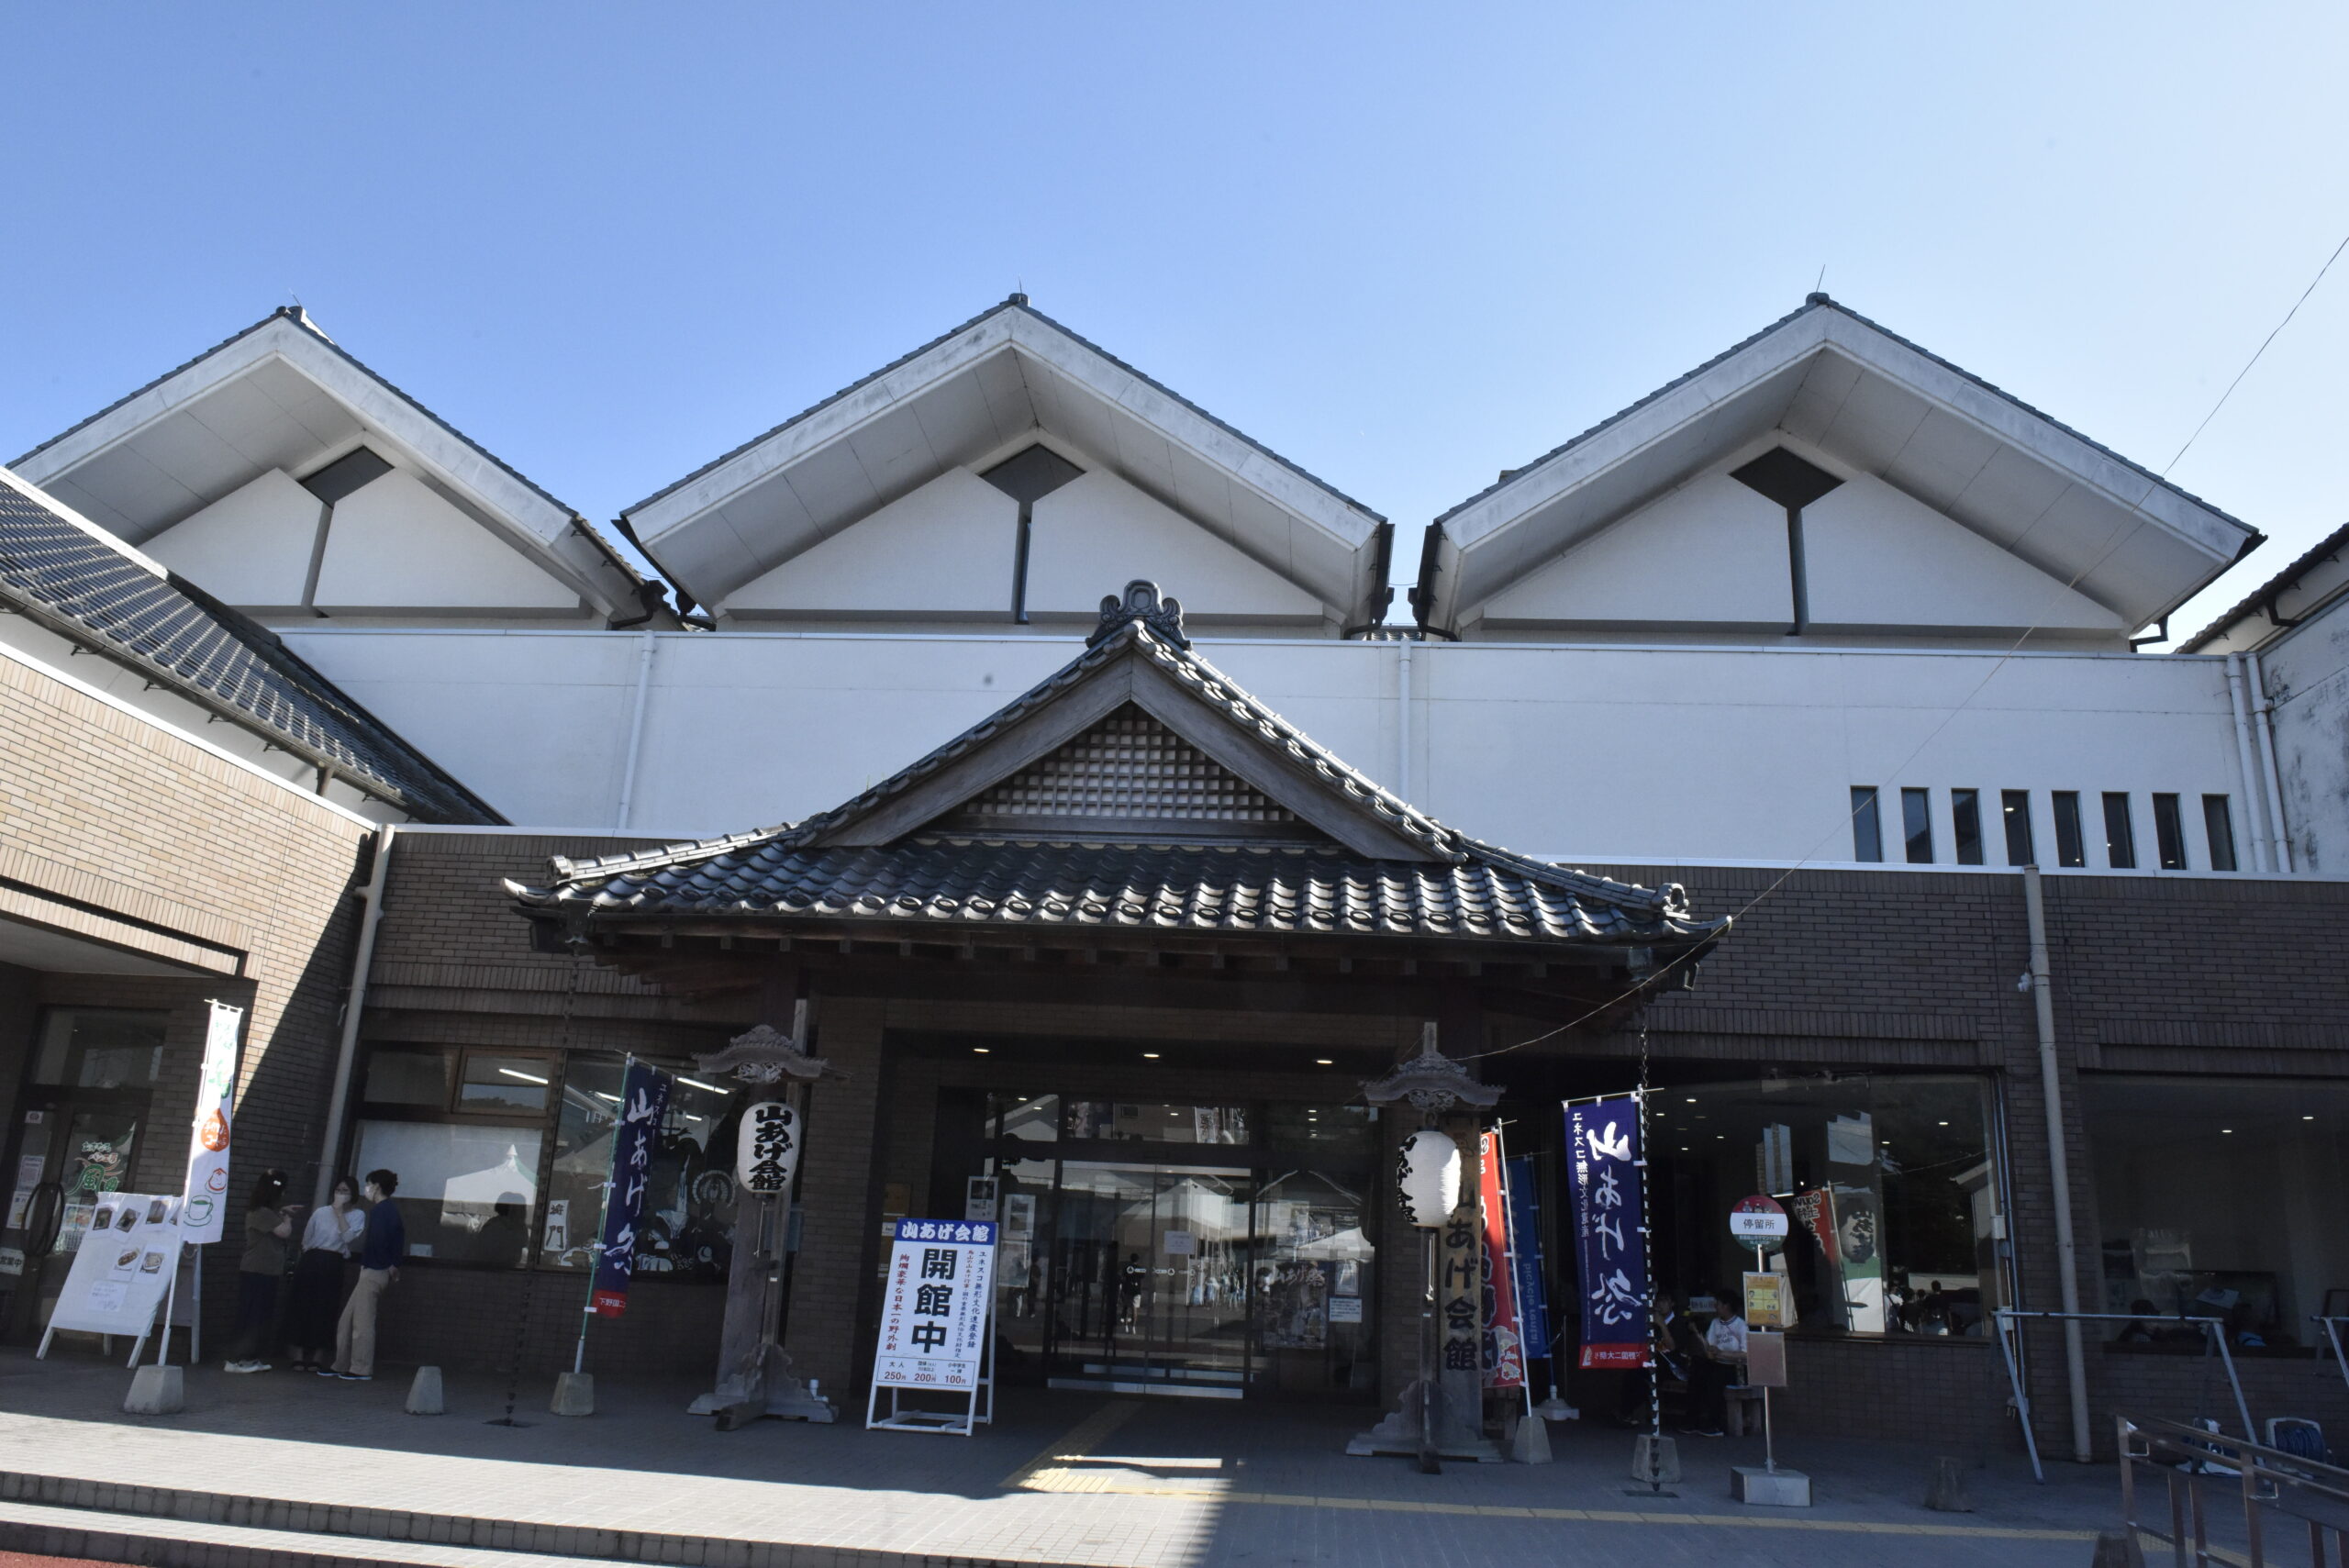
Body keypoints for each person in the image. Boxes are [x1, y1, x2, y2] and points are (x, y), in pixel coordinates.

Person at [326, 1169, 404, 1383]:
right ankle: (342, 1364)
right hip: (376, 1270)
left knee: (362, 1321)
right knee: (348, 1320)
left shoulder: (380, 1211)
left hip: (374, 1269)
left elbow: (379, 1241)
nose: (367, 1189)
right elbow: (396, 1239)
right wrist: (394, 1264)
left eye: (369, 1184)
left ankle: (360, 1367)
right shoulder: (390, 1210)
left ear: (376, 1186)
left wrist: (388, 1263)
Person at [285, 1175, 366, 1372]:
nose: (341, 1194)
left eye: (345, 1191)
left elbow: (348, 1238)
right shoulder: (321, 1212)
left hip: (334, 1261)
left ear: (353, 1194)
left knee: (326, 1308)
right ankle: (298, 1353)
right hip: (313, 1259)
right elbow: (307, 1239)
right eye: (338, 1190)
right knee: (303, 1305)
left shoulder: (358, 1215)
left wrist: (339, 1214)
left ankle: (318, 1355)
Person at [225, 1170, 298, 1373]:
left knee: (259, 1315)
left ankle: (250, 1358)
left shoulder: (264, 1212)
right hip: (257, 1271)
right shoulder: (262, 1212)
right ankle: (238, 1360)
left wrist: (281, 1213)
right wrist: (288, 1219)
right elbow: (283, 1231)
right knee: (252, 1315)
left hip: (265, 1271)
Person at [1684, 1292, 1749, 1438]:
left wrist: (1722, 1353)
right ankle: (1692, 1421)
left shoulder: (1741, 1325)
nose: (1715, 1307)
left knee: (1715, 1381)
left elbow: (1746, 1354)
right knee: (1697, 1374)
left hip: (1735, 1368)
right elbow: (1709, 1346)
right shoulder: (1715, 1323)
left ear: (1726, 1306)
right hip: (1717, 1363)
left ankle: (1715, 1424)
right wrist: (1707, 1348)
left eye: (1718, 1304)